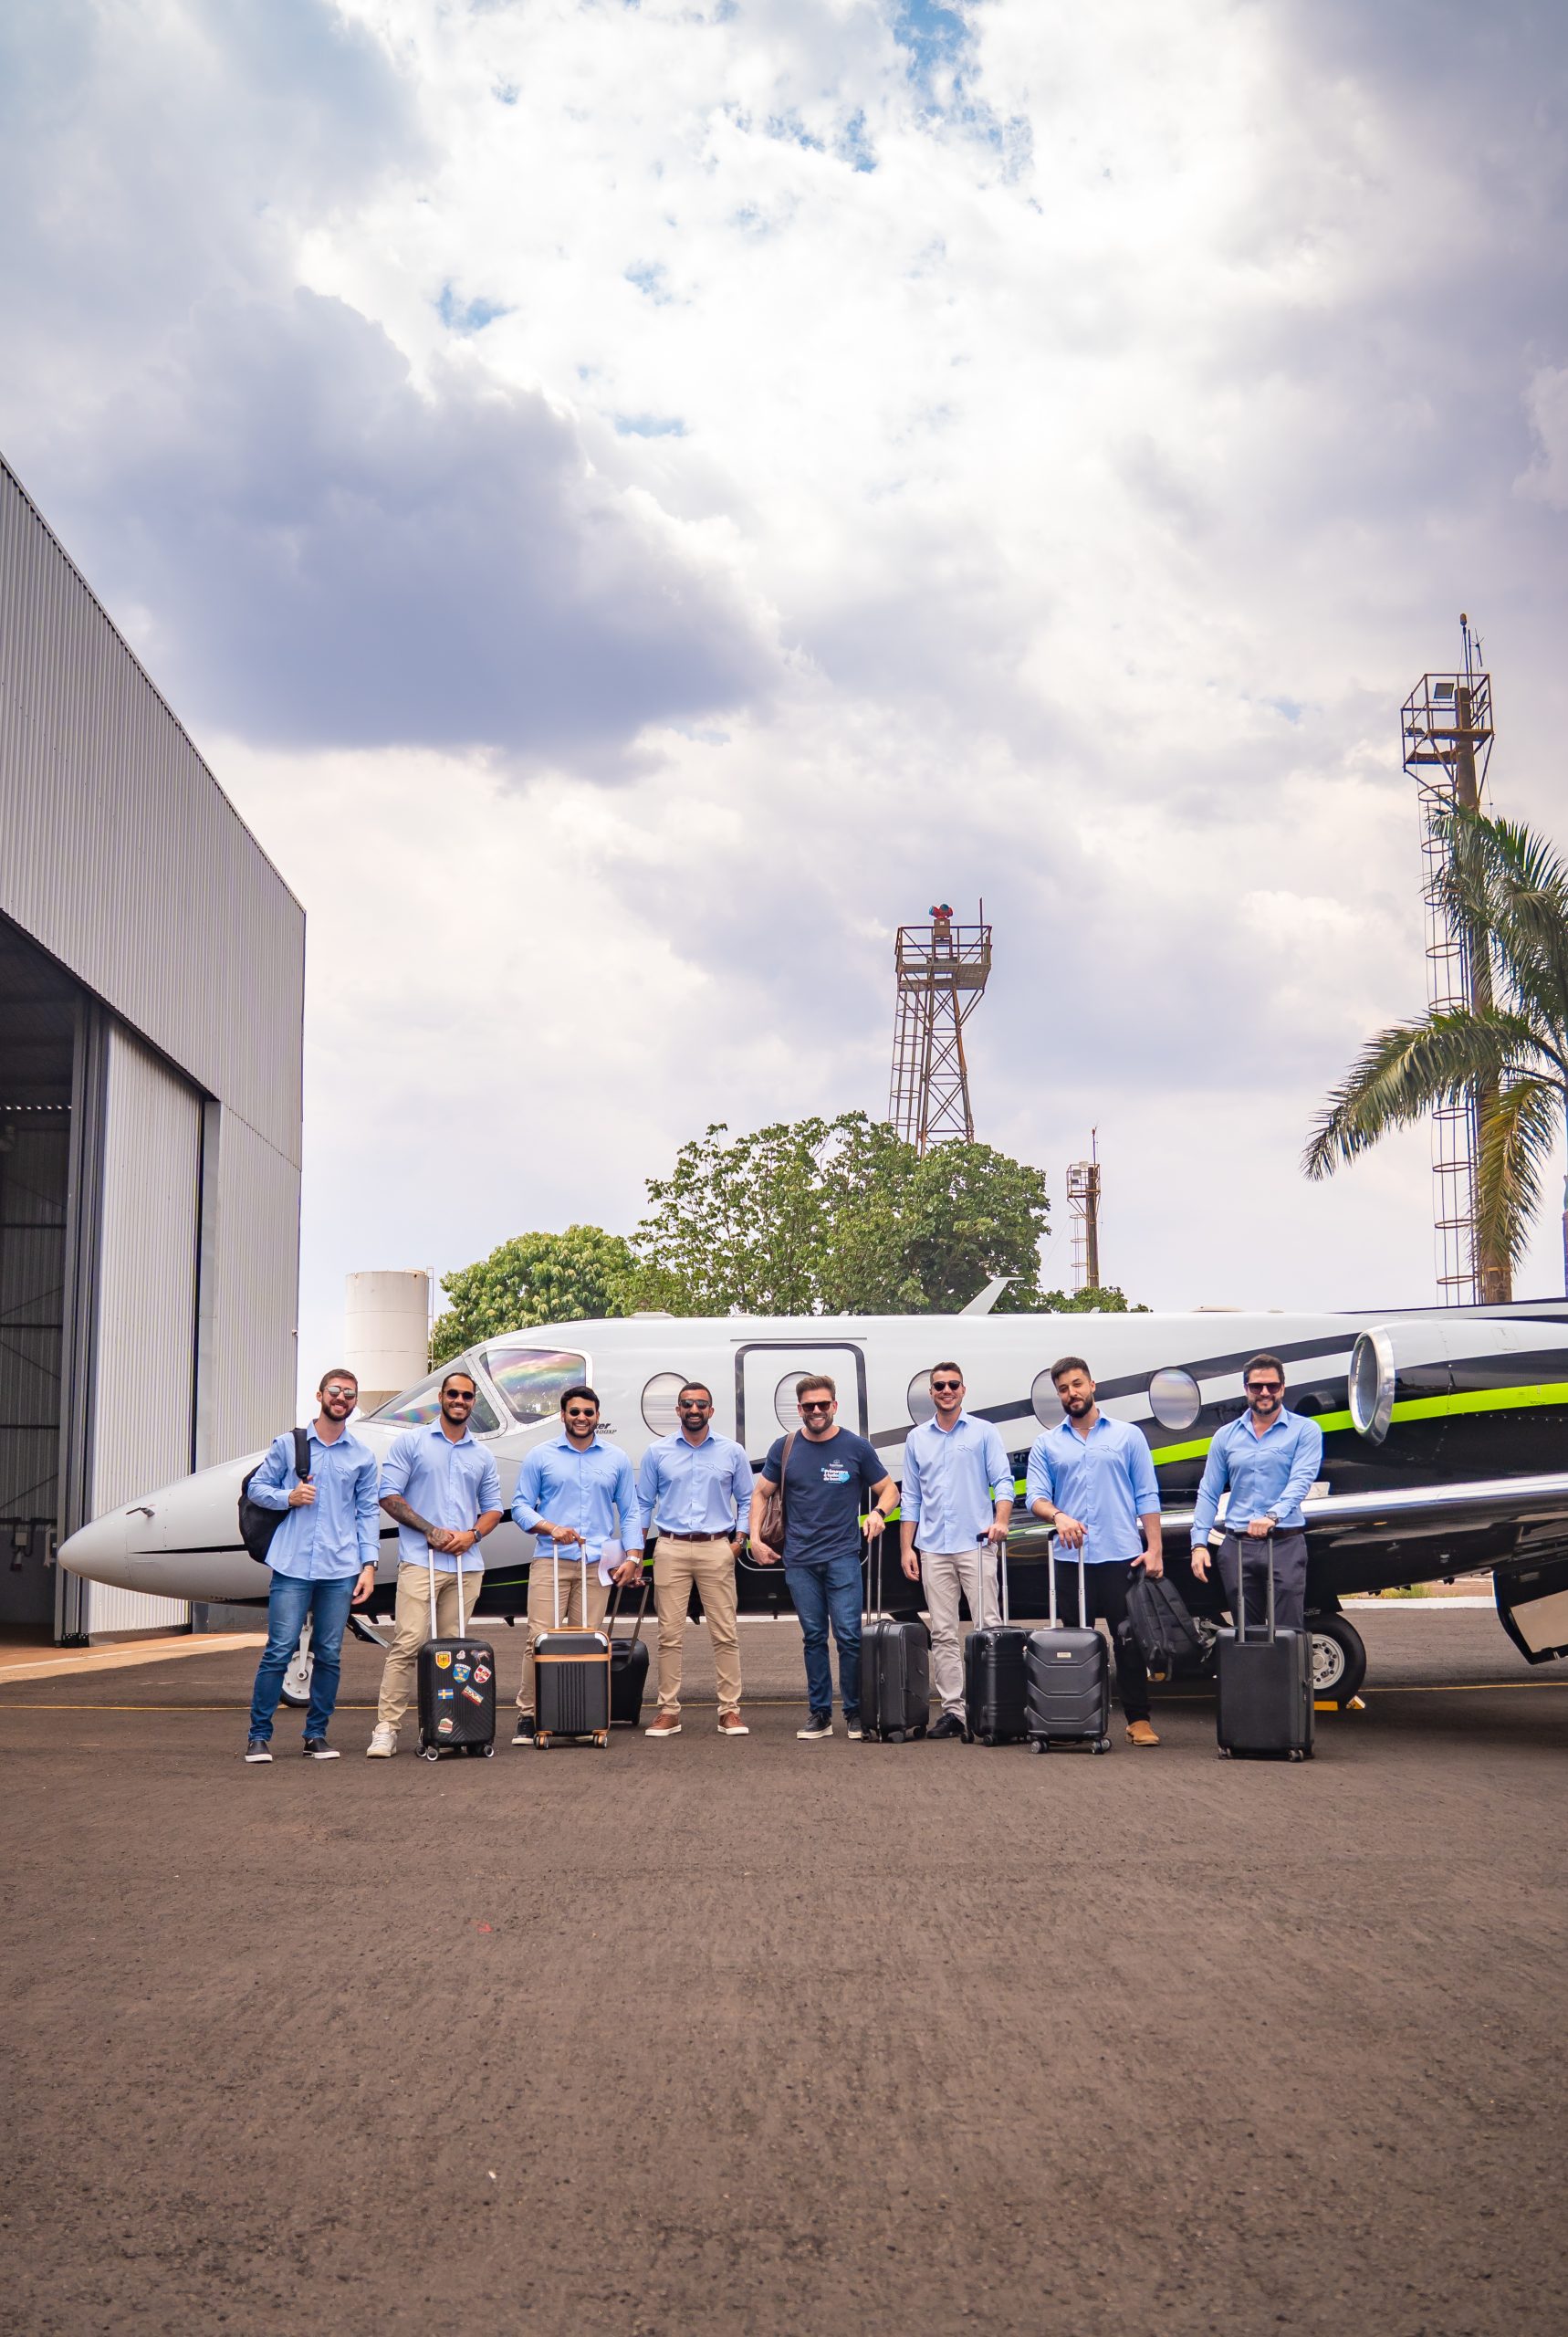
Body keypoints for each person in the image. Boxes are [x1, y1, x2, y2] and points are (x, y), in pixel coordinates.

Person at [1025, 1354, 1165, 1748]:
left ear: (1092, 1385)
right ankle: (1077, 1719)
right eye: (1063, 1389)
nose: (1071, 1393)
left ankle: (1138, 1720)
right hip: (1071, 1559)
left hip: (1121, 1554)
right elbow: (1035, 1497)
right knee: (1074, 1646)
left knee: (1130, 1640)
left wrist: (1155, 1548)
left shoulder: (1128, 1436)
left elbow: (1147, 1494)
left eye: (1077, 1384)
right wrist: (1059, 1516)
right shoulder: (1047, 1444)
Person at [750, 1374, 898, 1742]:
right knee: (814, 1637)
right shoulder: (785, 1447)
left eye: (822, 1404)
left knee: (848, 1636)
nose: (816, 1411)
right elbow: (761, 1493)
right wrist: (754, 1538)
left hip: (842, 1557)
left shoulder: (856, 1447)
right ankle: (819, 1714)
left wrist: (878, 1513)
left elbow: (888, 1489)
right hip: (799, 1560)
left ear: (834, 1406)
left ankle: (855, 1713)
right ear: (799, 1409)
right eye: (808, 1406)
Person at [365, 1368, 504, 1757]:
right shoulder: (412, 1442)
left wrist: (472, 1535)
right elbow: (389, 1495)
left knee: (455, 1652)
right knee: (409, 1643)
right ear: (441, 1397)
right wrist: (430, 1530)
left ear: (473, 1402)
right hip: (420, 1561)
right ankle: (387, 1728)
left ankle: (453, 1726)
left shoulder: (481, 1454)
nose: (460, 1401)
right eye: (453, 1394)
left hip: (465, 1564)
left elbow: (493, 1508)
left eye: (467, 1396)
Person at [244, 1368, 379, 1762]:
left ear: (355, 1403)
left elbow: (367, 1512)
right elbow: (256, 1488)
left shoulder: (362, 1456)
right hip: (293, 1564)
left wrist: (368, 1565)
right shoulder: (289, 1445)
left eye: (349, 1394)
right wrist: (288, 1496)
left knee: (329, 1653)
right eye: (335, 1391)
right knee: (279, 1649)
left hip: (340, 1568)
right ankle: (258, 1736)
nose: (341, 1398)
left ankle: (316, 1735)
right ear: (320, 1396)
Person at [508, 1384, 643, 1745]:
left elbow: (630, 1512)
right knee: (539, 1639)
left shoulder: (616, 1458)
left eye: (588, 1412)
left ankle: (581, 1714)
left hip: (596, 1564)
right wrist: (550, 1527)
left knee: (587, 1641)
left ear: (597, 1416)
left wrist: (633, 1557)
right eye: (574, 1412)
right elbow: (520, 1507)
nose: (581, 1418)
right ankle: (529, 1715)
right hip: (550, 1560)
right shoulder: (541, 1455)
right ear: (563, 1415)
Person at [899, 1361, 1014, 1740]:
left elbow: (1003, 1481)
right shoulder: (917, 1439)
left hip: (976, 1544)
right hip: (933, 1548)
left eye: (953, 1385)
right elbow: (911, 1497)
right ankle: (954, 1712)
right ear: (931, 1393)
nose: (946, 1391)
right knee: (943, 1633)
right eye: (939, 1386)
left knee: (988, 1628)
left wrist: (1000, 1521)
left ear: (963, 1390)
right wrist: (906, 1548)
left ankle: (993, 1709)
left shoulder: (984, 1432)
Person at [635, 1381, 754, 1739]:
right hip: (670, 1548)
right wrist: (637, 1553)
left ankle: (730, 1711)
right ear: (678, 1410)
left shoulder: (732, 1452)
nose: (694, 1409)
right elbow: (643, 1504)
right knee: (669, 1635)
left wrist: (739, 1541)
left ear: (711, 1411)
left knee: (725, 1633)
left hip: (716, 1547)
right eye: (687, 1404)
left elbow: (747, 1499)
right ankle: (668, 1711)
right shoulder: (657, 1452)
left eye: (701, 1404)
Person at [1190, 1352, 1323, 1637]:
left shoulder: (1305, 1430)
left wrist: (1272, 1516)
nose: (1264, 1392)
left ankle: (1288, 1668)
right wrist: (1198, 1544)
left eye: (1272, 1386)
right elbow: (1209, 1491)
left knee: (1287, 1634)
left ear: (1282, 1388)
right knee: (1245, 1635)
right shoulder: (1225, 1436)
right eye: (1256, 1386)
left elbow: (1301, 1481)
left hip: (1284, 1543)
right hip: (1238, 1546)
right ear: (1246, 1389)